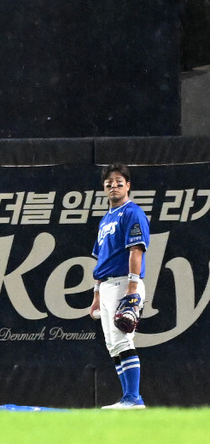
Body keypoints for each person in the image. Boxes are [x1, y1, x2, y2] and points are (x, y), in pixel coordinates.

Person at [89, 163, 150, 409]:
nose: (114, 185)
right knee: (113, 343)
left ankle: (133, 398)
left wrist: (132, 289)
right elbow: (100, 258)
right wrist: (95, 294)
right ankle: (128, 398)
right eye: (109, 182)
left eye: (119, 181)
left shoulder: (132, 212)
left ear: (128, 185)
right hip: (105, 285)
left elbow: (136, 250)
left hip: (124, 283)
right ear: (104, 188)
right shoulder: (106, 219)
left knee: (123, 340)